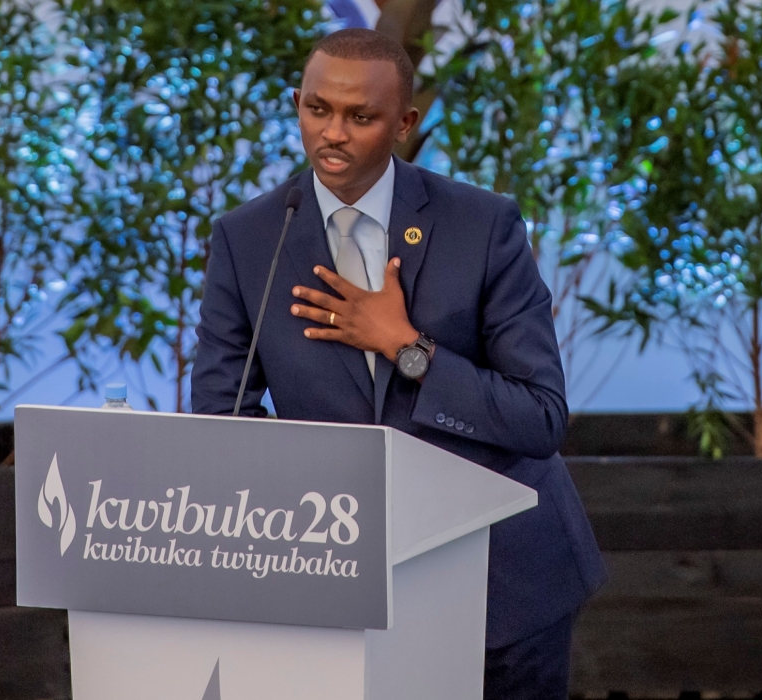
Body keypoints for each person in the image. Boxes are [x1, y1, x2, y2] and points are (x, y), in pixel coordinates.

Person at [191, 28, 607, 699]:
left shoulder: (484, 225)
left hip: (501, 588)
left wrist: (407, 348)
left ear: (405, 123)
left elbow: (540, 418)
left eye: (361, 117)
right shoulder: (248, 240)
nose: (331, 133)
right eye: (316, 108)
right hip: (341, 588)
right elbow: (221, 418)